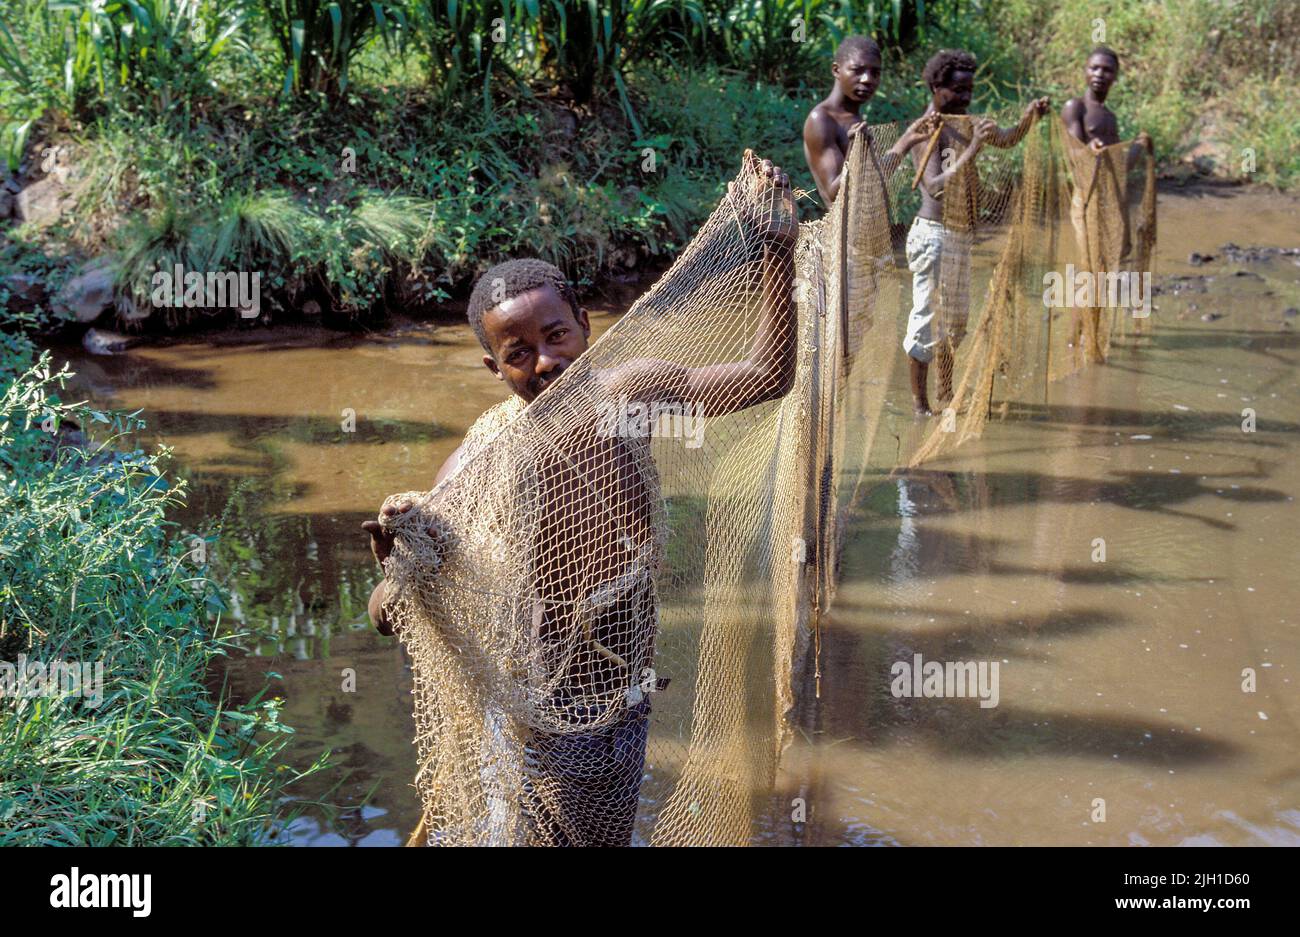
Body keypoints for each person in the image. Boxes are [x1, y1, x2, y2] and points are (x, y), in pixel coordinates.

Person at [362, 155, 799, 846]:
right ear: (493, 367)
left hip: (620, 680)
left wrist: (777, 249)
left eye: (555, 335)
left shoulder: (628, 396)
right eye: (518, 353)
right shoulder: (482, 457)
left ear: (585, 324)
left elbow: (767, 374)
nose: (544, 361)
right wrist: (401, 561)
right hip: (541, 697)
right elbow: (386, 616)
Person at [904, 49, 1050, 415]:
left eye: (970, 90)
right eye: (959, 90)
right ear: (937, 87)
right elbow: (934, 186)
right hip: (934, 236)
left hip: (958, 238)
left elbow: (1005, 139)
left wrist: (1028, 119)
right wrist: (972, 148)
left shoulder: (964, 121)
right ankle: (920, 409)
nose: (967, 98)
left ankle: (946, 395)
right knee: (926, 325)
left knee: (953, 325)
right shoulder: (928, 128)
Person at [803, 35, 940, 210]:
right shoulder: (822, 119)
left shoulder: (854, 119)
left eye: (875, 73)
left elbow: (871, 183)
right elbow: (834, 194)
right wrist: (855, 150)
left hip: (869, 230)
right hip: (844, 235)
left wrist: (907, 140)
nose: (868, 79)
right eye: (857, 70)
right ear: (837, 70)